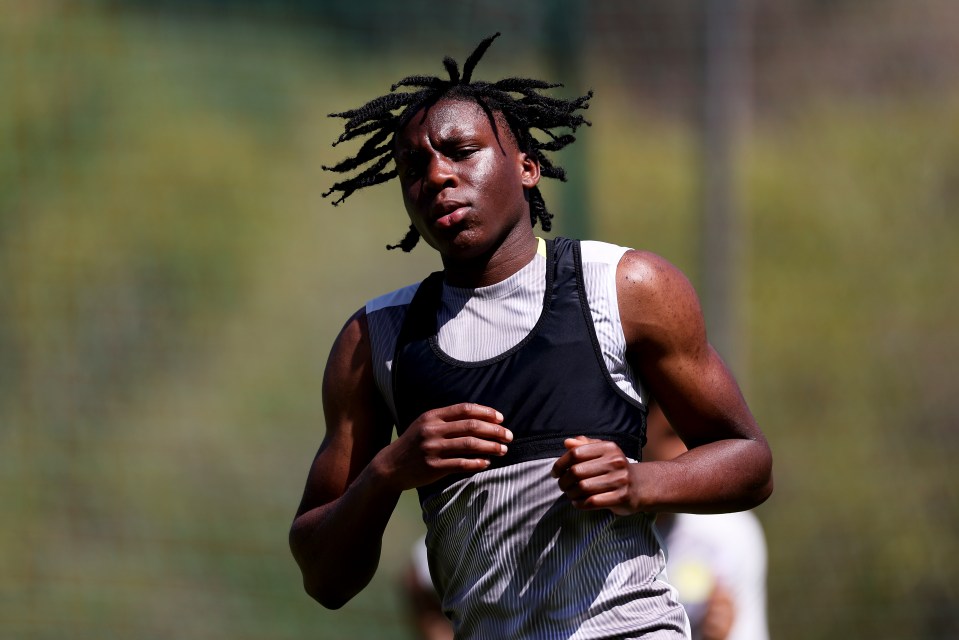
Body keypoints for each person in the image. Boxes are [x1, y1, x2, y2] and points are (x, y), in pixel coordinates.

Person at [289, 33, 773, 639]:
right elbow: (324, 578)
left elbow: (751, 462)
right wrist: (390, 469)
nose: (437, 175)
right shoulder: (374, 341)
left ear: (526, 167)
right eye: (413, 167)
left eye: (461, 151)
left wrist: (641, 481)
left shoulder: (626, 287)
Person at [644, 403, 769, 640]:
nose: (690, 453)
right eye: (672, 435)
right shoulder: (595, 529)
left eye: (697, 439)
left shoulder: (732, 533)